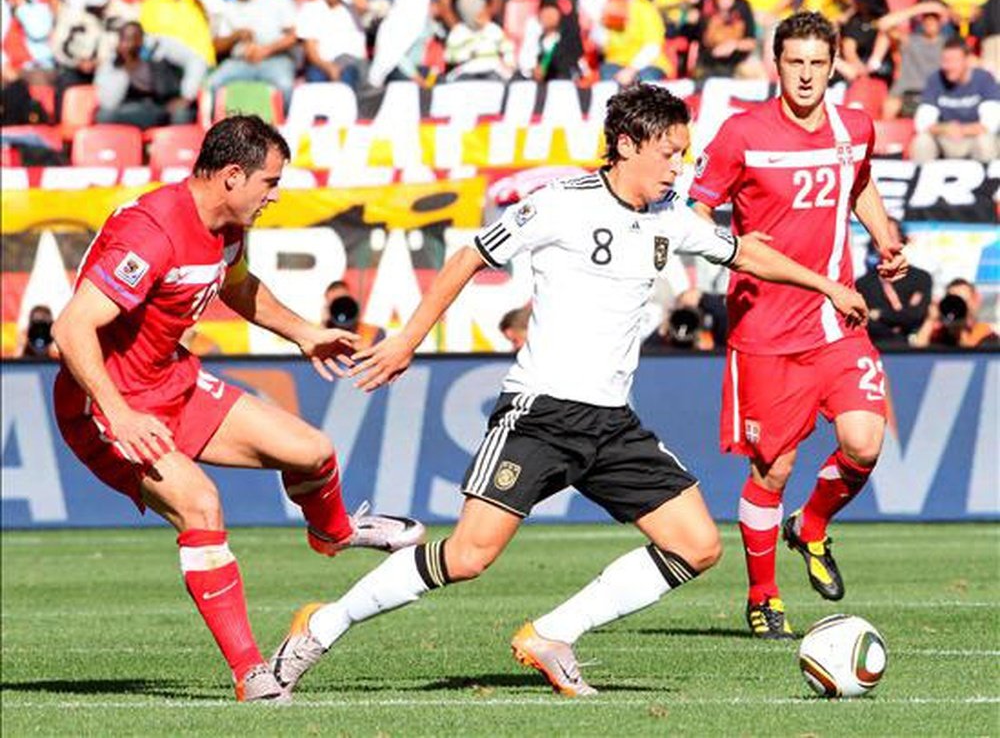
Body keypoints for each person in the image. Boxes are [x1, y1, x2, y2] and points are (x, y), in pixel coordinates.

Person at [268, 84, 869, 697]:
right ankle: (323, 622)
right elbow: (467, 259)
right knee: (469, 557)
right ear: (628, 145)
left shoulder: (670, 218)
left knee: (698, 544)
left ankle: (554, 634)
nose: (677, 168)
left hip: (611, 424)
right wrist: (406, 341)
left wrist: (828, 286)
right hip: (540, 413)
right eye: (668, 154)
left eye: (683, 155)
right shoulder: (559, 204)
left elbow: (745, 256)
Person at [50, 115, 424, 703]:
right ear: (231, 175)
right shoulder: (152, 231)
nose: (273, 195)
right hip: (105, 404)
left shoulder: (225, 227)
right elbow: (71, 330)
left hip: (170, 380)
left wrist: (303, 331)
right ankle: (252, 674)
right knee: (200, 506)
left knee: (313, 452)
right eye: (268, 183)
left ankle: (334, 534)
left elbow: (236, 285)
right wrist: (119, 413)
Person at [689, 11, 909, 639]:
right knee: (773, 471)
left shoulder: (854, 127)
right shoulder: (742, 133)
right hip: (764, 327)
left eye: (818, 62)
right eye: (796, 63)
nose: (807, 75)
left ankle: (810, 526)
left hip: (838, 318)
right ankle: (763, 597)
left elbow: (857, 183)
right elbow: (694, 211)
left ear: (835, 64)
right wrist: (730, 246)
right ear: (775, 64)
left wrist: (885, 240)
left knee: (865, 442)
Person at [95, 21, 206, 128]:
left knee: (181, 116)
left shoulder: (160, 47)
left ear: (142, 39)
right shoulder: (114, 61)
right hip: (135, 108)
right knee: (104, 116)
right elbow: (109, 103)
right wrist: (123, 67)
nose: (129, 44)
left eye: (133, 39)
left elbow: (196, 60)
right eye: (125, 39)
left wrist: (187, 96)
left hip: (166, 106)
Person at [910, 36, 1000, 164]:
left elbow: (990, 124)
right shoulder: (935, 79)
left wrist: (963, 130)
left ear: (967, 60)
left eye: (953, 61)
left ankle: (990, 183)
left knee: (985, 142)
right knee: (922, 141)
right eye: (944, 61)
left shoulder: (984, 79)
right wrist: (946, 128)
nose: (947, 66)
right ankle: (924, 180)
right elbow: (923, 123)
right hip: (945, 139)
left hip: (974, 140)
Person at [856, 219, 932, 347]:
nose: (885, 241)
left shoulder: (921, 278)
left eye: (890, 236)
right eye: (880, 236)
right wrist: (898, 319)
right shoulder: (863, 283)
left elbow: (917, 316)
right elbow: (865, 323)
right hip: (876, 347)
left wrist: (879, 314)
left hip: (912, 350)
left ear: (901, 240)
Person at [298, 0, 369, 91]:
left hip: (351, 62)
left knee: (346, 82)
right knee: (316, 81)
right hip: (321, 64)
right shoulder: (311, 8)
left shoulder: (351, 6)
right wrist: (328, 67)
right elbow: (310, 49)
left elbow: (365, 6)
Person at [911, 278, 1000, 349]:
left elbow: (970, 360)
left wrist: (960, 331)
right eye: (952, 301)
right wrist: (930, 319)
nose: (956, 306)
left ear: (975, 301)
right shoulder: (939, 334)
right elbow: (917, 356)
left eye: (962, 300)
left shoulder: (986, 335)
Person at [323, 279, 385, 349]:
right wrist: (324, 325)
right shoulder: (317, 334)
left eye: (344, 302)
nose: (341, 308)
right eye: (335, 305)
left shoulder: (373, 333)